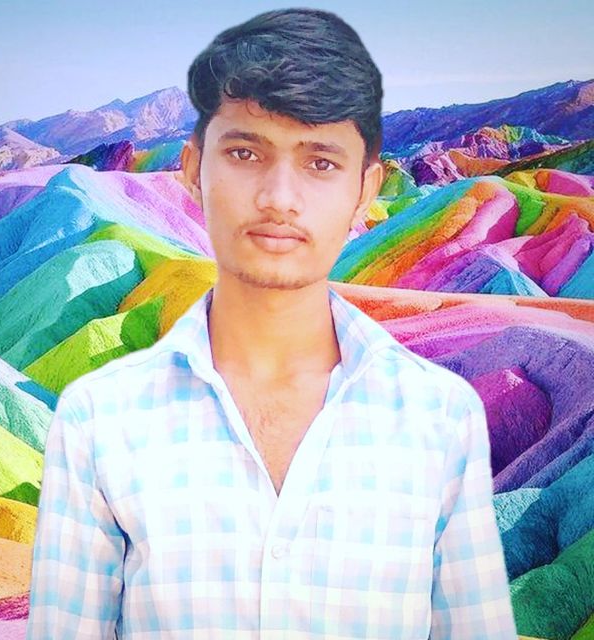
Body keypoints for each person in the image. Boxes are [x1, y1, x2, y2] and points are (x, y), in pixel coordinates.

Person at [26, 8, 517, 639]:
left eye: (320, 163)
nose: (279, 198)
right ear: (193, 170)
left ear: (366, 189)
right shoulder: (99, 419)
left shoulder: (441, 417)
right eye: (245, 152)